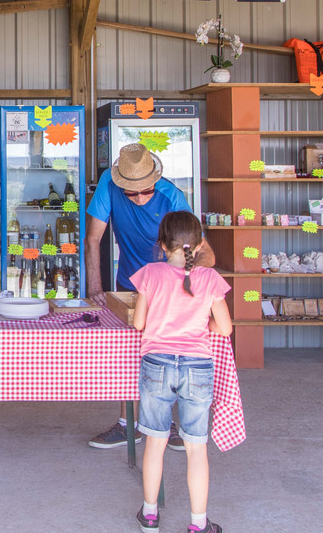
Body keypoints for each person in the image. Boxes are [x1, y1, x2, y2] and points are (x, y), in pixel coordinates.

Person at [85, 143, 215, 450]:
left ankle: (165, 424)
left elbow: (205, 254)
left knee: (165, 354)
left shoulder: (173, 197)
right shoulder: (109, 182)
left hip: (169, 290)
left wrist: (178, 276)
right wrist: (95, 289)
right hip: (129, 282)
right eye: (132, 193)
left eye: (146, 191)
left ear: (156, 180)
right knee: (126, 354)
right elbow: (93, 239)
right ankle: (127, 423)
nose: (140, 198)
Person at [132, 212, 232, 533]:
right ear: (201, 244)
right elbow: (225, 328)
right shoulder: (210, 278)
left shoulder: (150, 273)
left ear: (162, 245)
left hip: (156, 364)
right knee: (196, 446)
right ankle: (199, 524)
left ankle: (150, 516)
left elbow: (139, 323)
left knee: (155, 442)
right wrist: (204, 322)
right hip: (197, 366)